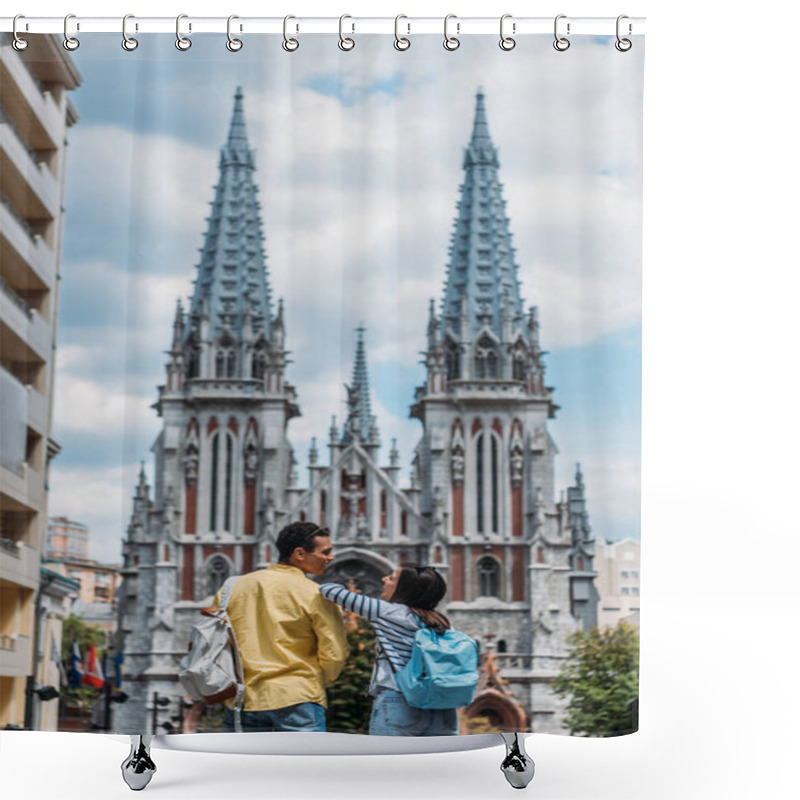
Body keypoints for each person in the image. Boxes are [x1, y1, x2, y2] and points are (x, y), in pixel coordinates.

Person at [216, 521, 348, 732]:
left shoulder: (233, 588)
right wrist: (315, 679)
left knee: (243, 765)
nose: (331, 558)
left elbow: (216, 638)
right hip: (297, 697)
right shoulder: (317, 594)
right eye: (326, 552)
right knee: (301, 764)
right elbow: (334, 653)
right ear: (299, 554)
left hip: (242, 699)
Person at [319, 564, 459, 736]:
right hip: (442, 706)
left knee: (389, 761)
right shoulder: (443, 623)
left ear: (404, 589)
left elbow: (328, 590)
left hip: (400, 700)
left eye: (391, 578)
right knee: (438, 762)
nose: (384, 580)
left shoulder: (387, 611)